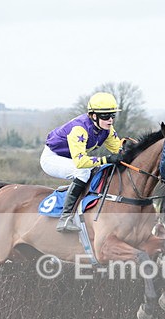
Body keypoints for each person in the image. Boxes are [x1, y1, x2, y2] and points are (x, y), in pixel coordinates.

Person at [40, 91, 125, 232]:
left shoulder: (107, 129)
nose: (110, 120)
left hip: (71, 158)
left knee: (98, 170)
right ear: (93, 116)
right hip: (52, 158)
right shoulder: (79, 129)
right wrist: (106, 159)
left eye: (112, 115)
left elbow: (119, 149)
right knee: (83, 171)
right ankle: (65, 218)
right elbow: (80, 162)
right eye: (105, 116)